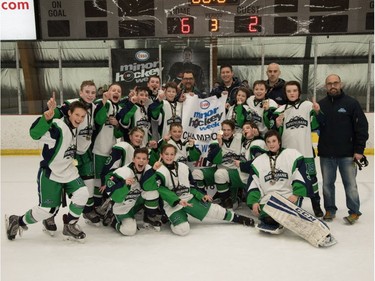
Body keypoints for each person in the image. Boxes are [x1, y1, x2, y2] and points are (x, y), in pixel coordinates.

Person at [6, 97, 89, 241]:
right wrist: (45, 119)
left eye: (82, 116)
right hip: (51, 173)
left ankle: (70, 225)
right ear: (69, 113)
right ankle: (17, 220)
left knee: (82, 193)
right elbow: (34, 134)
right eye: (77, 115)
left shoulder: (73, 127)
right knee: (47, 210)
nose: (80, 119)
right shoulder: (58, 127)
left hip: (69, 171)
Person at [152, 144, 254, 236]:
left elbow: (191, 187)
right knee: (183, 230)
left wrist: (202, 196)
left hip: (188, 199)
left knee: (214, 210)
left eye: (172, 154)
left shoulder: (183, 167)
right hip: (172, 204)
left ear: (175, 155)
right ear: (161, 155)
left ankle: (239, 218)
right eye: (166, 154)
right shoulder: (159, 171)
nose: (169, 157)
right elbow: (161, 190)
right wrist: (178, 201)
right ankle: (172, 218)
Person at [313, 74, 369, 224]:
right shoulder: (321, 105)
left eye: (335, 83)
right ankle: (330, 210)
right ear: (325, 86)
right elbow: (317, 126)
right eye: (329, 84)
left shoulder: (351, 103)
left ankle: (354, 212)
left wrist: (359, 150)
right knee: (327, 185)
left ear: (341, 84)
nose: (333, 86)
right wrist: (317, 113)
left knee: (350, 185)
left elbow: (362, 127)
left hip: (347, 154)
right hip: (326, 154)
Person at [51, 80, 108, 226]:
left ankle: (87, 210)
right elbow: (56, 114)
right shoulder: (70, 103)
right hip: (69, 153)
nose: (90, 95)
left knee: (88, 184)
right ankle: (50, 214)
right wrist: (51, 111)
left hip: (86, 153)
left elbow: (98, 122)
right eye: (87, 92)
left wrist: (104, 104)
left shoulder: (95, 106)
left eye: (93, 92)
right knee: (61, 185)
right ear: (80, 92)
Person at [272, 81, 323, 217]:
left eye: (294, 90)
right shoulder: (280, 109)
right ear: (285, 93)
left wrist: (317, 111)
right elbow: (275, 134)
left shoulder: (307, 106)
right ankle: (291, 205)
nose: (292, 93)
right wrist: (277, 124)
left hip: (305, 152)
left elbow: (317, 124)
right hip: (288, 155)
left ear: (299, 92)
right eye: (289, 91)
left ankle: (316, 204)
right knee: (291, 180)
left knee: (312, 179)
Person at [246, 130, 309, 234]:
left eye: (274, 141)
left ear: (279, 142)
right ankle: (276, 219)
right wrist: (254, 201)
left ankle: (279, 219)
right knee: (267, 215)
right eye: (268, 142)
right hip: (269, 197)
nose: (271, 144)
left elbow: (299, 175)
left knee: (276, 214)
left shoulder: (291, 155)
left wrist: (296, 194)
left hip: (288, 196)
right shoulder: (258, 161)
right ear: (266, 144)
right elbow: (254, 183)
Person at [103, 147, 161, 235]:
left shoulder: (150, 169)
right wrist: (123, 184)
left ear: (147, 161)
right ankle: (113, 219)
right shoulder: (124, 172)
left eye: (144, 159)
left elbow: (152, 187)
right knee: (129, 231)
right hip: (123, 203)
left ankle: (149, 217)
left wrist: (153, 170)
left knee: (153, 193)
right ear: (133, 159)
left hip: (137, 199)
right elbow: (110, 191)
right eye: (138, 158)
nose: (141, 161)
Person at [92, 83, 123, 216]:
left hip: (111, 150)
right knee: (97, 179)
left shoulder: (119, 108)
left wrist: (116, 125)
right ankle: (95, 205)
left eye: (119, 91)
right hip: (98, 150)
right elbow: (99, 120)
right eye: (113, 90)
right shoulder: (101, 103)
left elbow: (119, 134)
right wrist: (104, 102)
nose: (116, 92)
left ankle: (103, 203)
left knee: (108, 178)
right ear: (108, 92)